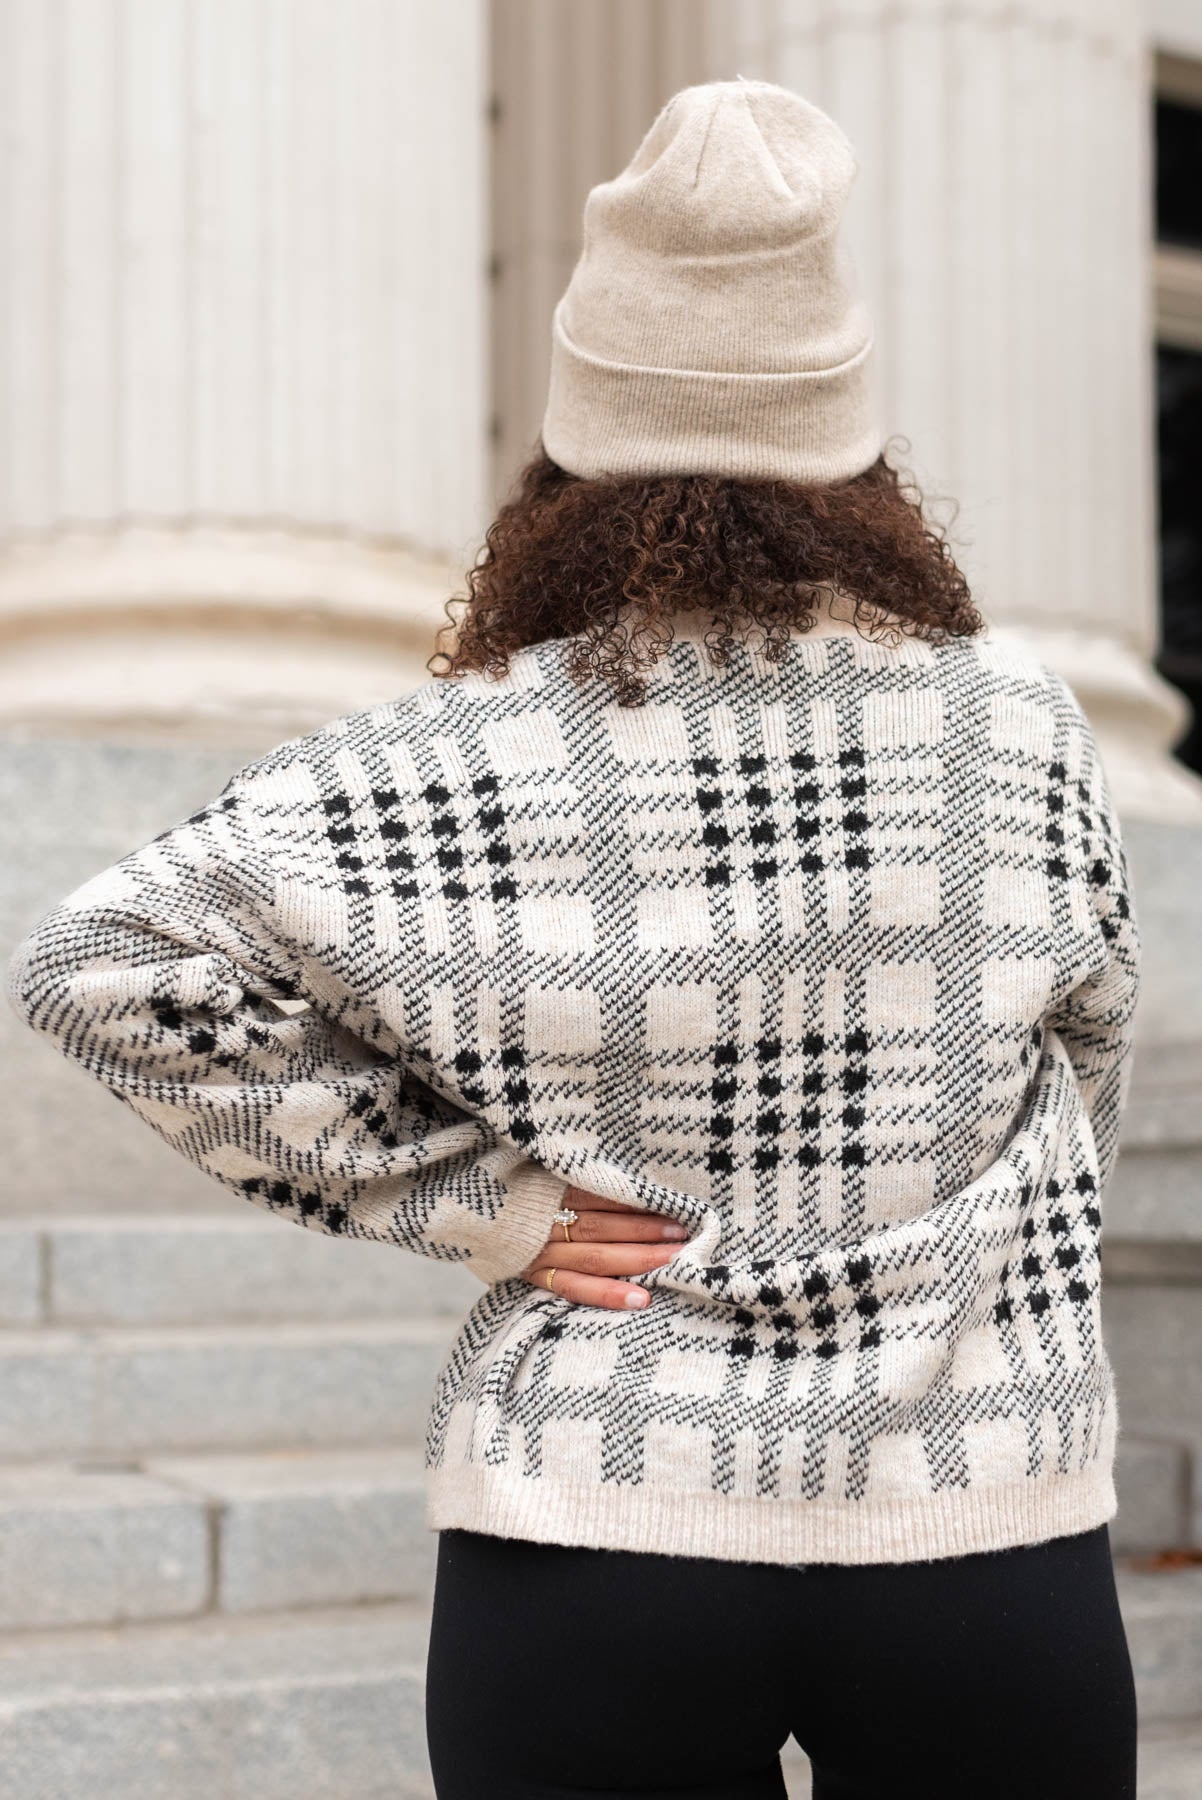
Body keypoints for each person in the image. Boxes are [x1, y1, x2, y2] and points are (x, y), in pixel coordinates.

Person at [6, 77, 1141, 1800]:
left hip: (591, 1501)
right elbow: (1087, 1064)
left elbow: (98, 965)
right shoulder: (1022, 729)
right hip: (979, 1503)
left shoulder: (452, 758)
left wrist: (482, 1201)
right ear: (849, 440)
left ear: (575, 445)